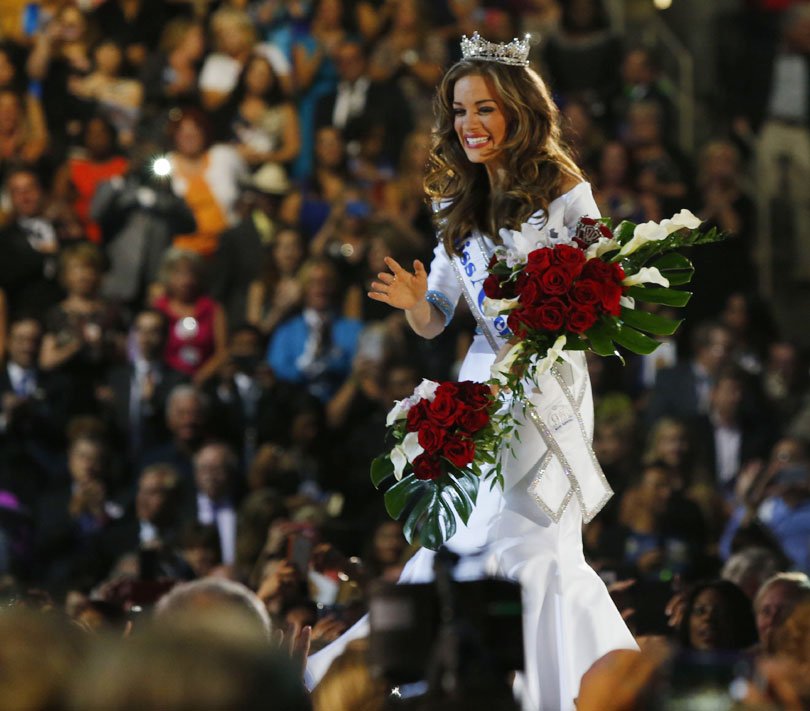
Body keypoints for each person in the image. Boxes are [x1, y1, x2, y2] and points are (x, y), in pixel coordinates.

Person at [306, 33, 637, 710]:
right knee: (469, 534)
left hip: (548, 377)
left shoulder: (566, 190)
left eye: (484, 108)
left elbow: (608, 282)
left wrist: (560, 307)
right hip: (483, 378)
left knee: (533, 537)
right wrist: (415, 304)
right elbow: (437, 316)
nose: (470, 123)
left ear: (518, 110)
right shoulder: (452, 202)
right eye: (459, 111)